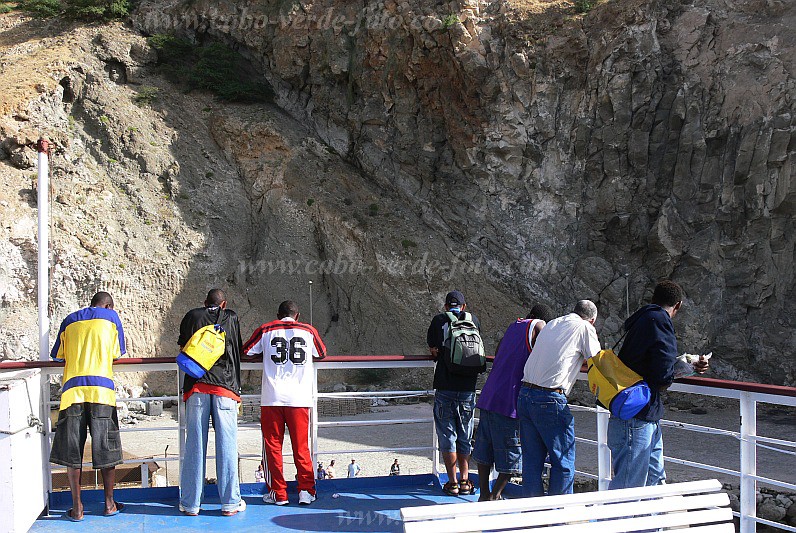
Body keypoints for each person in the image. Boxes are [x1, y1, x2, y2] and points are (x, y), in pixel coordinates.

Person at [608, 280, 709, 489]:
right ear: (678, 305)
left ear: (653, 299)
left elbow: (648, 362)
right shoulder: (660, 322)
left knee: (652, 480)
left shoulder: (641, 320)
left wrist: (686, 365)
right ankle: (627, 522)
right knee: (631, 486)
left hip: (632, 413)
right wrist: (685, 368)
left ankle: (653, 523)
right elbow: (662, 374)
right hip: (639, 416)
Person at [49, 291, 126, 521]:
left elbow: (57, 356)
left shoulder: (69, 320)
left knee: (73, 451)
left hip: (72, 392)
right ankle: (110, 504)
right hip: (101, 391)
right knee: (106, 448)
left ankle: (77, 509)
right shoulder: (111, 319)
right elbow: (118, 353)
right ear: (109, 306)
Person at [244, 300, 326, 506]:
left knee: (273, 446)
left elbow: (246, 351)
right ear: (297, 316)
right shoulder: (308, 330)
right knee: (301, 447)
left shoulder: (266, 329)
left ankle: (278, 493)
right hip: (299, 397)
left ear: (277, 315)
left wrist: (264, 355)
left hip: (272, 397)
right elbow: (322, 353)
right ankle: (306, 491)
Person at [518, 300, 601, 497]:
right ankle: (558, 516)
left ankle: (532, 516)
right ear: (592, 320)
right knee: (563, 462)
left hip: (525, 394)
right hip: (549, 398)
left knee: (531, 462)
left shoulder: (552, 323)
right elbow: (598, 360)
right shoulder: (584, 327)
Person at [473, 304, 554, 501]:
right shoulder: (538, 326)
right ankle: (495, 494)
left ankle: (484, 493)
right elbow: (549, 349)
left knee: (485, 449)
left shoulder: (512, 327)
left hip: (489, 396)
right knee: (512, 453)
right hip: (509, 400)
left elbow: (501, 351)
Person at [178, 289, 246, 517]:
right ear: (223, 303)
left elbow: (183, 349)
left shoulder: (192, 316)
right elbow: (237, 349)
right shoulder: (232, 317)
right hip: (225, 387)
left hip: (197, 386)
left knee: (195, 446)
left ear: (204, 302)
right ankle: (230, 503)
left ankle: (191, 504)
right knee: (227, 445)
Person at [427, 290, 485, 496]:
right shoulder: (474, 321)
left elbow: (433, 348)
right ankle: (465, 481)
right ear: (464, 306)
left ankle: (451, 483)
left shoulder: (439, 320)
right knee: (465, 435)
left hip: (445, 386)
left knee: (447, 435)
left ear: (445, 306)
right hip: (468, 389)